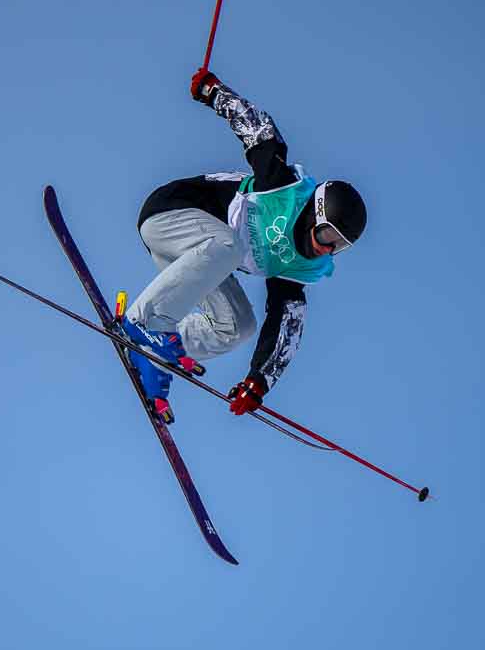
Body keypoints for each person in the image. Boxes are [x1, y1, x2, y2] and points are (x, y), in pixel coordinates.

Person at [119, 69, 367, 424]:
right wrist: (212, 91)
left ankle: (157, 350)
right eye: (328, 236)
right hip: (169, 214)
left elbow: (286, 326)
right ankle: (143, 323)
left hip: (199, 256)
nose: (327, 250)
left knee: (239, 325)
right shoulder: (280, 187)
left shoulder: (297, 268)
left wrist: (259, 381)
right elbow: (257, 128)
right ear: (316, 213)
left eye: (338, 247)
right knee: (230, 246)